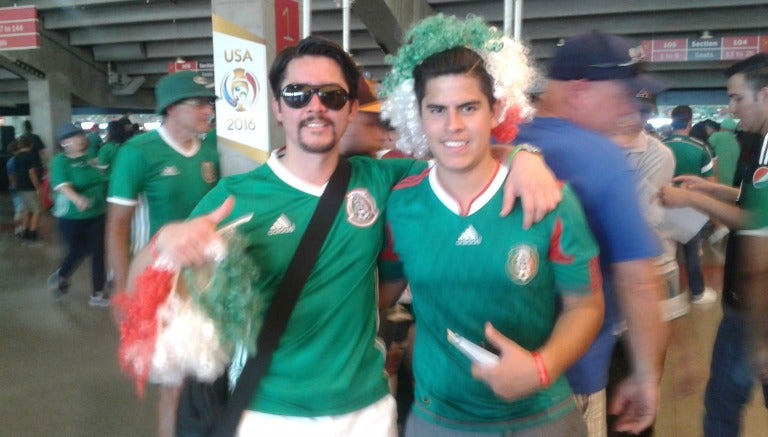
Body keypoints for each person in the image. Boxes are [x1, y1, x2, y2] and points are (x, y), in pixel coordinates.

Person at [142, 35, 559, 437]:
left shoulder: (383, 179)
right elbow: (141, 284)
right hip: (267, 412)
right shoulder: (236, 197)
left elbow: (464, 161)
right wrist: (164, 241)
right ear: (277, 108)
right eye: (297, 94)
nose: (315, 106)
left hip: (366, 412)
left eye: (332, 96)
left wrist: (522, 157)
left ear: (350, 107)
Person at [377, 15, 604, 435]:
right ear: (418, 116)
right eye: (437, 110)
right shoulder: (401, 204)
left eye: (468, 107)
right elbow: (376, 297)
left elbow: (586, 305)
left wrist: (541, 368)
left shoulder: (548, 199)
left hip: (539, 416)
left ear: (496, 109)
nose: (453, 126)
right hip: (437, 419)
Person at [515, 30, 669, 436]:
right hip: (571, 379)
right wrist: (646, 375)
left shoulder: (497, 140)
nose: (627, 111)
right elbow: (638, 281)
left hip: (487, 378)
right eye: (621, 95)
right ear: (580, 90)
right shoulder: (601, 158)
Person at [658, 52, 768, 437]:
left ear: (765, 94)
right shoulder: (758, 142)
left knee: (722, 405)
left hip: (754, 309)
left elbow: (757, 222)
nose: (731, 108)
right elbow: (753, 199)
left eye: (738, 98)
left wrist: (692, 200)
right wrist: (712, 189)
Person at [105, 70, 219, 437]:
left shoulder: (213, 149)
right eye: (198, 102)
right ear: (170, 108)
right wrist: (122, 291)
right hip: (158, 282)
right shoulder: (138, 153)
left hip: (207, 279)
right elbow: (117, 225)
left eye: (209, 102)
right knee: (173, 385)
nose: (207, 109)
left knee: (213, 372)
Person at [609, 95, 698, 398]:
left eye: (643, 111)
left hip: (653, 269)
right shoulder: (595, 147)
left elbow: (637, 219)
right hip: (607, 283)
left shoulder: (658, 153)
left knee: (643, 380)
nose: (634, 117)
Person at [47, 123, 110, 306]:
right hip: (70, 216)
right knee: (78, 251)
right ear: (63, 142)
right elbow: (61, 184)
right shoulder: (60, 161)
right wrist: (77, 199)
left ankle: (97, 294)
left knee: (98, 252)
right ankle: (62, 275)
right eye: (74, 137)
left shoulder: (90, 158)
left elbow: (103, 177)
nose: (80, 139)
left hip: (97, 213)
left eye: (81, 135)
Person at [663, 105, 719, 306]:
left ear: (672, 122)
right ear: (690, 123)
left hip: (662, 207)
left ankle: (669, 298)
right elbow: (711, 184)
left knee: (666, 256)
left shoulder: (659, 145)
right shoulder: (701, 148)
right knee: (692, 253)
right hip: (690, 209)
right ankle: (697, 293)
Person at [13, 135, 44, 245]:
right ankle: (32, 235)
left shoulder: (16, 157)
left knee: (26, 210)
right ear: (30, 145)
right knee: (37, 211)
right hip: (29, 187)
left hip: (20, 187)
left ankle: (25, 232)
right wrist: (38, 187)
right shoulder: (30, 155)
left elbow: (15, 174)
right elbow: (31, 173)